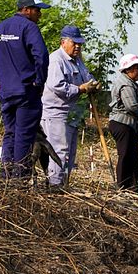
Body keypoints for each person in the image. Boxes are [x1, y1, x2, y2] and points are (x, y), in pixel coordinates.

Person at [0, 0, 51, 180]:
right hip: (26, 91)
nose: (39, 15)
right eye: (37, 10)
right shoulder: (29, 27)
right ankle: (19, 179)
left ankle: (4, 175)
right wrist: (39, 81)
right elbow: (42, 56)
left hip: (6, 91)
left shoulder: (1, 28)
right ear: (26, 10)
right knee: (24, 135)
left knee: (10, 133)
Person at [40, 25, 98, 188]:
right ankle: (54, 185)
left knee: (69, 154)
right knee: (59, 152)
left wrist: (94, 84)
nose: (78, 47)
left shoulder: (78, 61)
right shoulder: (55, 60)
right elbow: (56, 86)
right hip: (57, 114)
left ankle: (63, 185)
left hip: (73, 115)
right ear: (63, 42)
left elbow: (88, 77)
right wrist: (80, 89)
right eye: (75, 43)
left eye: (80, 44)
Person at [108, 54, 138, 191]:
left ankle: (135, 187)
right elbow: (132, 106)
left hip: (129, 125)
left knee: (134, 157)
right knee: (126, 155)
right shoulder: (125, 84)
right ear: (128, 69)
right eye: (137, 68)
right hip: (122, 125)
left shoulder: (131, 83)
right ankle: (123, 186)